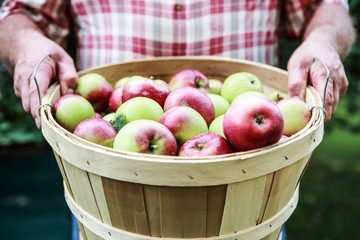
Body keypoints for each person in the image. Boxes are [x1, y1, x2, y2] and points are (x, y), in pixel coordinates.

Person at [0, 0, 355, 239]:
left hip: (250, 192)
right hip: (107, 181)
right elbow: (18, 13)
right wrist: (26, 44)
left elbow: (328, 5)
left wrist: (324, 38)